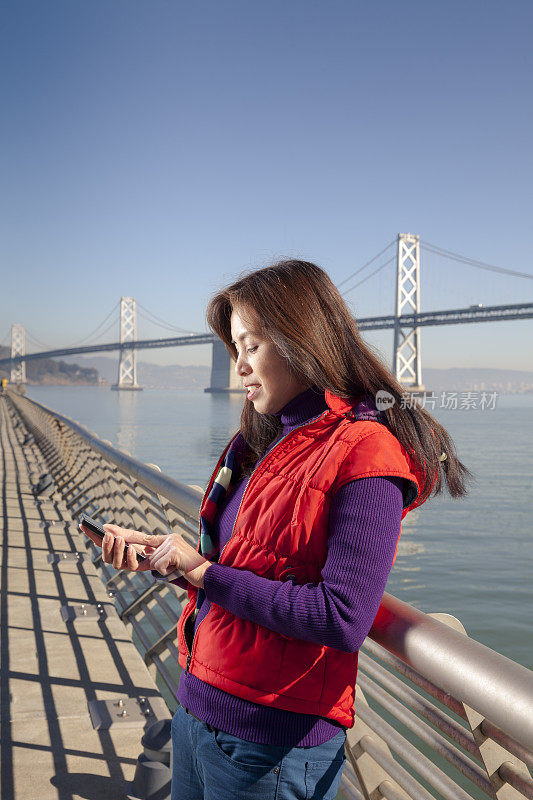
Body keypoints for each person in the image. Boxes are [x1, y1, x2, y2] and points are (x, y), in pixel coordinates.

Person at [82, 260, 471, 800]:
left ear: (301, 340)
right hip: (196, 712)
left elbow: (341, 617)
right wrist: (172, 562)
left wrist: (202, 573)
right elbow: (234, 574)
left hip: (269, 750)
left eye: (252, 346)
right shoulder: (257, 444)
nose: (238, 365)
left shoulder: (365, 453)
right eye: (234, 348)